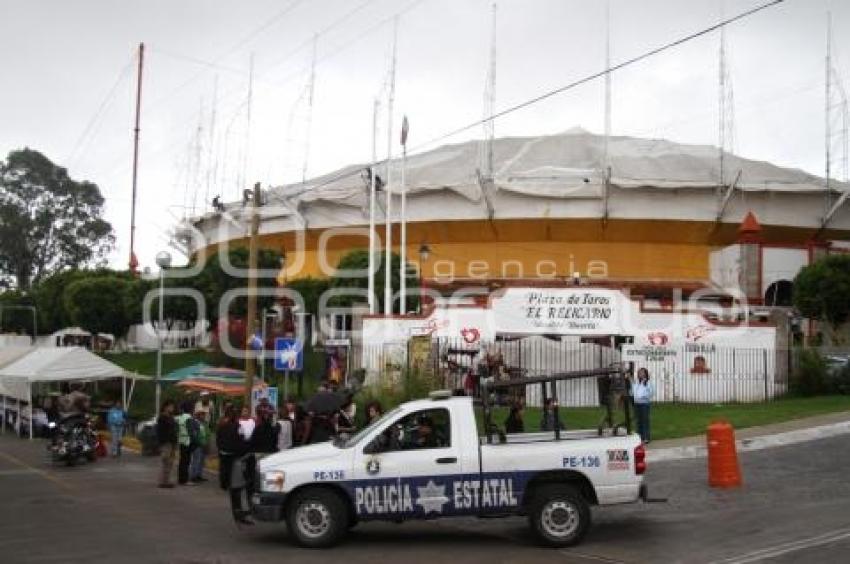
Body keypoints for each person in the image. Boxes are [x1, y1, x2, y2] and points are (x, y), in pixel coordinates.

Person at [215, 406, 252, 525]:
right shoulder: (237, 427)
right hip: (235, 458)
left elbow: (218, 441)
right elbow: (241, 442)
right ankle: (239, 513)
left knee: (231, 485)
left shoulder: (221, 426)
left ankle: (237, 512)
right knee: (236, 487)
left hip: (224, 457)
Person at [156, 400, 178, 489]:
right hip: (166, 442)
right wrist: (162, 442)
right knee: (165, 461)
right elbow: (160, 432)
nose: (172, 408)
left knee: (170, 462)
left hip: (172, 442)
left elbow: (173, 429)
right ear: (166, 407)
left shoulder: (171, 417)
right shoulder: (162, 418)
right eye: (170, 406)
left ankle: (167, 480)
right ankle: (163, 481)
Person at [176, 401, 195, 486]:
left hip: (181, 440)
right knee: (186, 461)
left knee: (182, 461)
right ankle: (185, 480)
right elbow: (191, 431)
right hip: (187, 441)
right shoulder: (189, 418)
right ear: (190, 409)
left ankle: (181, 479)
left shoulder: (180, 418)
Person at [632, 368, 654, 444]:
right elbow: (634, 391)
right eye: (639, 373)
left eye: (642, 373)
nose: (640, 374)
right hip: (637, 404)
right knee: (638, 421)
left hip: (644, 404)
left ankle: (646, 438)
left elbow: (651, 393)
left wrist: (643, 396)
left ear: (645, 374)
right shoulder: (636, 382)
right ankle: (639, 437)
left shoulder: (648, 382)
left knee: (645, 421)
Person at [189, 411, 210, 483]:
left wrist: (207, 442)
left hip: (204, 443)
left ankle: (199, 475)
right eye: (202, 415)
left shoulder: (205, 423)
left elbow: (207, 433)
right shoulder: (195, 422)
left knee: (202, 461)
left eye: (204, 415)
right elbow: (195, 434)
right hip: (198, 444)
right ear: (198, 415)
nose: (203, 416)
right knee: (196, 460)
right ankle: (193, 476)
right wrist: (198, 442)